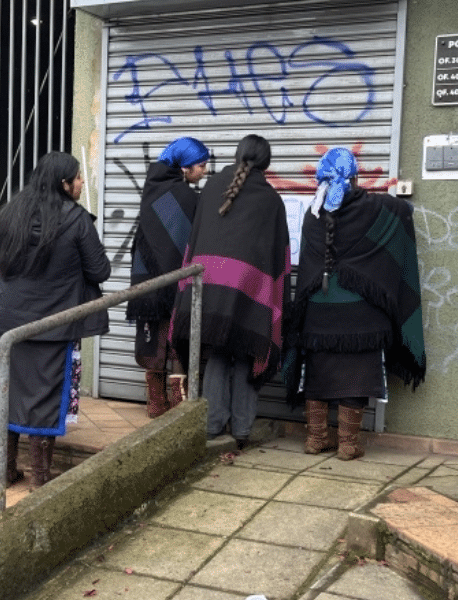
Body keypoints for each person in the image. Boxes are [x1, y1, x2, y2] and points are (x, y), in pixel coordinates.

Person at [284, 148, 426, 460]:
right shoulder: (377, 207)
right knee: (357, 377)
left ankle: (315, 439)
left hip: (319, 315)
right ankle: (348, 445)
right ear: (356, 176)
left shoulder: (313, 213)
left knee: (318, 377)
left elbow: (307, 264)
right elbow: (402, 212)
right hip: (363, 317)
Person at [0, 151, 110, 488]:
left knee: (9, 392)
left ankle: (5, 471)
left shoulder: (12, 212)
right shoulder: (77, 220)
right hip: (56, 324)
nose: (82, 183)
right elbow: (100, 270)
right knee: (48, 398)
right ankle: (40, 479)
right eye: (79, 178)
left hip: (10, 324)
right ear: (64, 184)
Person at [171, 134, 290, 449]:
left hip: (209, 283)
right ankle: (241, 431)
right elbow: (280, 256)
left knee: (219, 353)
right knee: (248, 354)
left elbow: (195, 238)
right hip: (249, 286)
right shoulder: (271, 200)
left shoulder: (211, 187)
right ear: (266, 162)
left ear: (237, 156)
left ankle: (211, 427)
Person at [126, 137, 210, 418]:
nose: (205, 170)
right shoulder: (186, 198)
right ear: (185, 168)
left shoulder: (153, 188)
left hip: (147, 283)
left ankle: (155, 404)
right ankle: (178, 409)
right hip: (173, 283)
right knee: (177, 342)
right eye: (201, 165)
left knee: (154, 341)